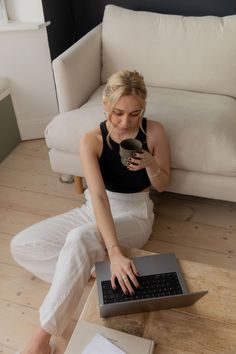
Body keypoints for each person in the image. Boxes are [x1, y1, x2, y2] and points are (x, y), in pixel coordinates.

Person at [11, 70, 170, 354]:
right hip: (93, 207)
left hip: (135, 213)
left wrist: (151, 164)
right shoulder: (91, 140)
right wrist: (113, 252)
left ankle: (43, 336)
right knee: (22, 244)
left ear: (143, 108)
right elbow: (97, 196)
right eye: (118, 112)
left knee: (80, 239)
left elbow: (163, 184)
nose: (125, 122)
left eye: (135, 114)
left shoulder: (154, 131)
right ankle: (90, 272)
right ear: (105, 104)